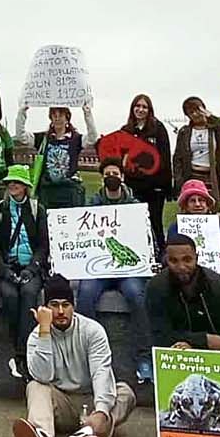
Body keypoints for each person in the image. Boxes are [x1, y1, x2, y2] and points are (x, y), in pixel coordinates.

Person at [13, 274, 137, 437]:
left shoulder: (93, 330)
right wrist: (44, 333)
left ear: (74, 306)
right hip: (61, 405)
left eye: (66, 305)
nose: (60, 311)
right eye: (54, 305)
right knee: (35, 386)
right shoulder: (36, 336)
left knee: (125, 393)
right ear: (45, 308)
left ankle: (86, 435)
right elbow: (43, 376)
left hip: (91, 404)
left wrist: (102, 411)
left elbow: (101, 371)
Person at [75, 160, 153, 384]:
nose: (112, 176)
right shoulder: (91, 206)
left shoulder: (136, 205)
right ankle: (86, 355)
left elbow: (146, 238)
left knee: (137, 296)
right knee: (86, 294)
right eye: (107, 173)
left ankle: (144, 358)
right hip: (98, 267)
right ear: (102, 178)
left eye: (115, 173)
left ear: (122, 177)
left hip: (128, 269)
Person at [146, 233, 220, 354]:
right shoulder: (156, 287)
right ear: (166, 260)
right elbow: (157, 335)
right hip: (176, 353)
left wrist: (199, 346)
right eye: (174, 261)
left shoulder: (219, 286)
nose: (181, 266)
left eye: (187, 260)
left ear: (197, 258)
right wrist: (201, 341)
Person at [0, 165, 48, 380]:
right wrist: (4, 270)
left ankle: (24, 351)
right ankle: (17, 350)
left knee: (29, 294)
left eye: (16, 182)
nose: (12, 185)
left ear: (25, 186)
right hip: (6, 266)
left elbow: (43, 245)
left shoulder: (37, 209)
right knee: (9, 295)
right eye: (9, 182)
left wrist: (33, 267)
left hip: (30, 266)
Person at [17, 102, 98, 210]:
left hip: (70, 190)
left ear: (67, 118)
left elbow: (92, 138)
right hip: (47, 190)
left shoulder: (76, 139)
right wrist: (22, 112)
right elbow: (21, 136)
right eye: (54, 115)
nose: (57, 118)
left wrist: (87, 113)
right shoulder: (43, 138)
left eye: (60, 115)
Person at [116, 93, 172, 249]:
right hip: (133, 186)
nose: (140, 110)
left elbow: (165, 157)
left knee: (155, 223)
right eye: (138, 106)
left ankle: (160, 254)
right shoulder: (125, 130)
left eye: (144, 107)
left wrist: (166, 186)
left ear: (149, 110)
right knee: (134, 223)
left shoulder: (158, 128)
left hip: (154, 187)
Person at [167, 179, 220, 279]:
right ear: (185, 206)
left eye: (201, 200)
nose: (197, 204)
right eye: (192, 201)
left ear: (208, 205)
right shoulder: (175, 229)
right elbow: (165, 259)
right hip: (183, 278)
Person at [172, 95, 220, 203]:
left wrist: (210, 116)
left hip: (212, 175)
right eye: (190, 113)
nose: (194, 114)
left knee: (212, 205)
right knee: (193, 206)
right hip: (192, 174)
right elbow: (177, 158)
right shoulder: (184, 132)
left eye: (197, 110)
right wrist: (178, 180)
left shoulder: (215, 130)